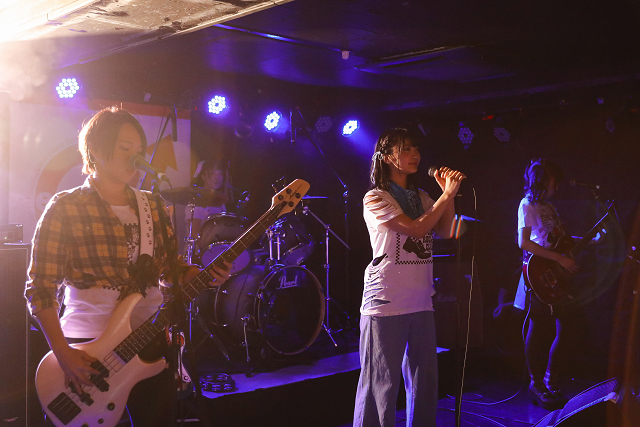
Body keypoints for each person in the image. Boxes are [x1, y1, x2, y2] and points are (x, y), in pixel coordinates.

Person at [24, 106, 230, 427]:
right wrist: (63, 353)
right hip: (88, 348)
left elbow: (169, 272)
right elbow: (40, 289)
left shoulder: (153, 206)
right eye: (124, 148)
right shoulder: (65, 207)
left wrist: (201, 276)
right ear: (95, 150)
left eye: (139, 150)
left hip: (150, 340)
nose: (135, 157)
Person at [353, 128, 464, 427]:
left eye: (416, 148)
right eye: (405, 149)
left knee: (424, 381)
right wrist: (446, 196)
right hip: (385, 301)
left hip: (421, 299)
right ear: (387, 157)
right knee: (380, 385)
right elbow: (415, 229)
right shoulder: (375, 197)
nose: (415, 154)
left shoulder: (423, 197)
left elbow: (447, 231)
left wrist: (447, 196)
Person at [515, 158, 578, 410]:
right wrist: (559, 259)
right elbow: (524, 242)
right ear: (543, 180)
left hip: (554, 272)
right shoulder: (527, 205)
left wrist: (589, 240)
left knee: (567, 326)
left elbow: (557, 238)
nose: (557, 187)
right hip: (538, 273)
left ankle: (551, 379)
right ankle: (536, 383)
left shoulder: (549, 206)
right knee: (538, 326)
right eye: (555, 181)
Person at [184, 157, 233, 241]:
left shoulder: (220, 200)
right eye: (212, 173)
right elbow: (195, 235)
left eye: (220, 173)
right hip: (200, 248)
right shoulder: (196, 200)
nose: (217, 177)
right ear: (203, 177)